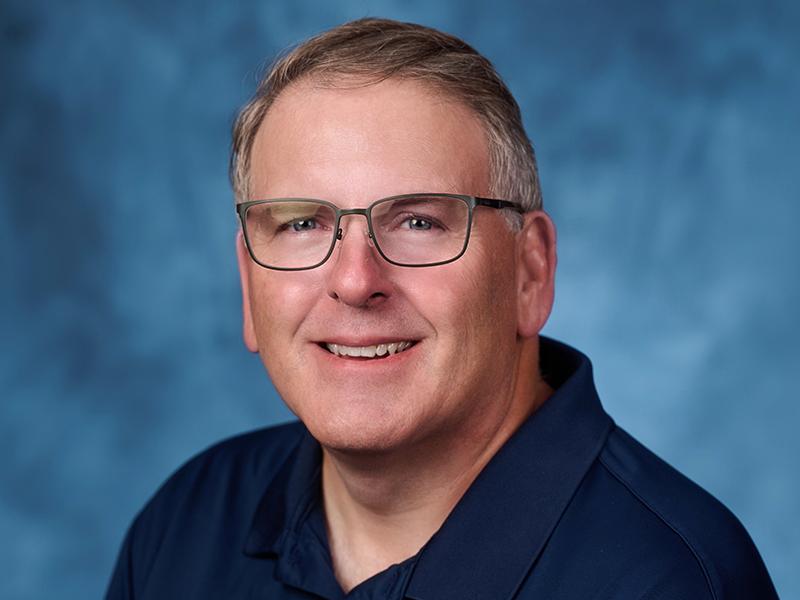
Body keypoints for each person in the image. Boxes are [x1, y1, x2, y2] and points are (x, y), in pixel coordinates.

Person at [106, 18, 777, 599]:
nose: (354, 281)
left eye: (419, 222)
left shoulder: (670, 581)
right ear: (249, 282)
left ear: (530, 271)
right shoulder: (184, 529)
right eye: (302, 224)